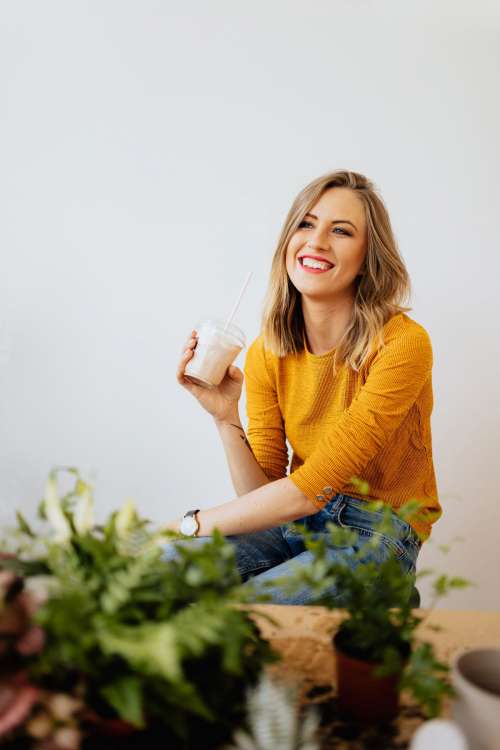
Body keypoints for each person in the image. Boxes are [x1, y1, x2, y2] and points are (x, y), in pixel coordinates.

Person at [166, 169, 442, 605]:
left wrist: (194, 523)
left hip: (376, 533)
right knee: (160, 575)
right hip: (294, 524)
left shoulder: (403, 344)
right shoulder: (266, 352)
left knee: (247, 615)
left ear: (369, 256)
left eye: (342, 231)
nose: (316, 242)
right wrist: (225, 418)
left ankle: (381, 597)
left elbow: (311, 486)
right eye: (307, 224)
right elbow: (264, 498)